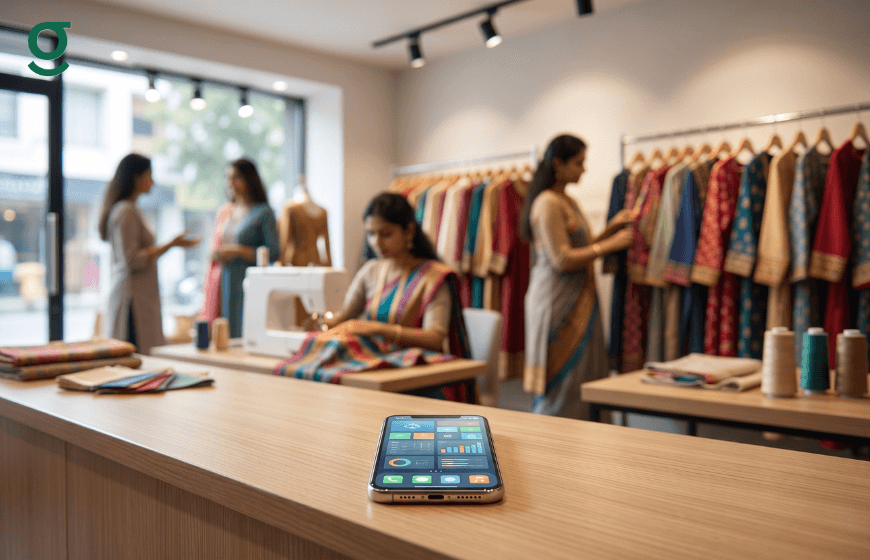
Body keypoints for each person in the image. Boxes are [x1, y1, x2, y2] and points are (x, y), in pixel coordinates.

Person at [278, 192, 471, 399]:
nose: (376, 242)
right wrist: (319, 321)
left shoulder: (434, 277)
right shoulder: (371, 271)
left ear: (409, 231)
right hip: (376, 369)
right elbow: (344, 317)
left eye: (385, 234)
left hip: (419, 378)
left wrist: (376, 328)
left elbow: (434, 337)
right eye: (370, 234)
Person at [521, 134, 635, 419]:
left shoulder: (566, 200)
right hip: (557, 305)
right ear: (558, 165)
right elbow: (562, 259)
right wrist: (612, 244)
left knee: (585, 378)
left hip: (581, 299)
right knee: (564, 385)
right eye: (579, 163)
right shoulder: (547, 203)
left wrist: (611, 228)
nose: (584, 169)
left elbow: (583, 246)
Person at [99, 154, 200, 354]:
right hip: (132, 301)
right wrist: (170, 244)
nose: (153, 181)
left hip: (137, 296)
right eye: (149, 175)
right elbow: (132, 260)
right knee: (134, 360)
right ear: (136, 177)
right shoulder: (125, 212)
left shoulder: (130, 210)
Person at [205, 158, 279, 338]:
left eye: (236, 178)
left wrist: (238, 251)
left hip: (247, 282)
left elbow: (274, 253)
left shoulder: (263, 213)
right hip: (225, 281)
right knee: (224, 336)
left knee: (244, 334)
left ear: (249, 180)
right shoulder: (227, 212)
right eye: (227, 178)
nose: (230, 183)